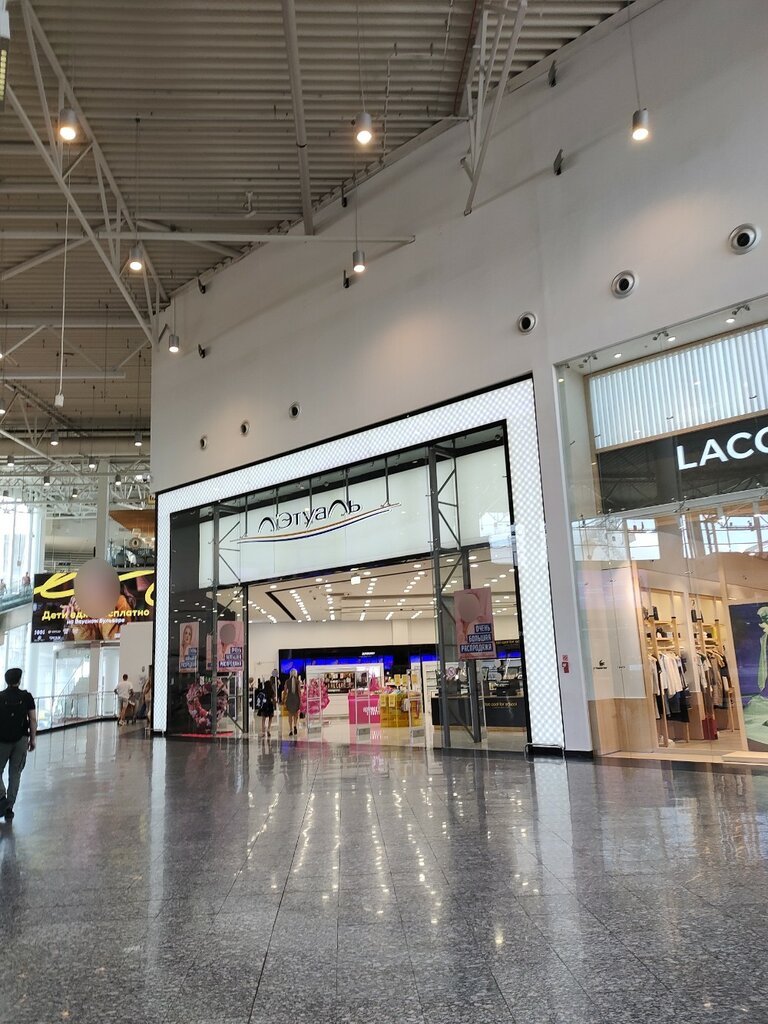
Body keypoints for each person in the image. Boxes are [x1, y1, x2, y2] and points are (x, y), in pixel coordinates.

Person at [0, 667, 37, 821]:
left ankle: (1, 797)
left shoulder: (0, 696)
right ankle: (9, 808)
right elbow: (32, 719)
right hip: (21, 740)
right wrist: (32, 739)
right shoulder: (27, 697)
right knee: (15, 774)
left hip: (2, 740)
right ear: (19, 680)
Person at [283, 669, 301, 736]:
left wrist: (283, 699)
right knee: (296, 713)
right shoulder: (298, 681)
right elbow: (299, 691)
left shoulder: (287, 681)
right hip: (296, 698)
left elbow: (285, 691)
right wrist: (300, 699)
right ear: (296, 674)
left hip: (289, 698)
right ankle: (295, 725)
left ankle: (290, 730)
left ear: (290, 674)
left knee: (290, 714)